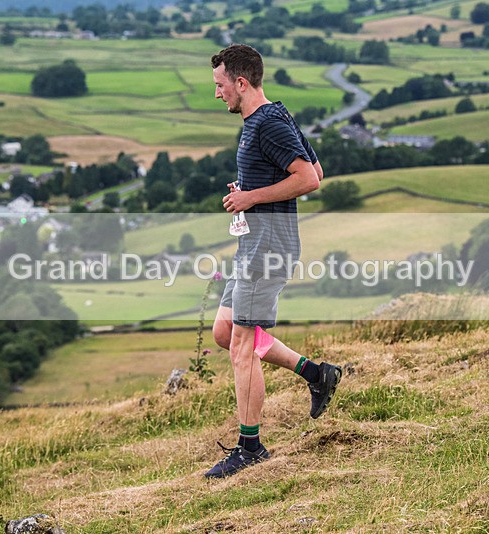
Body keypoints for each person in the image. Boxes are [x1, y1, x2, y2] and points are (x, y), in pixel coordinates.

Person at [205, 44, 343, 479]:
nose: (217, 94)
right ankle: (317, 374)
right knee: (225, 332)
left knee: (243, 347)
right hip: (255, 245)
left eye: (220, 85)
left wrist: (251, 196)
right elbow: (310, 168)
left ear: (241, 83)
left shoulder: (267, 124)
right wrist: (248, 187)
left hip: (270, 249)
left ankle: (250, 448)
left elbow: (309, 179)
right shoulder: (266, 119)